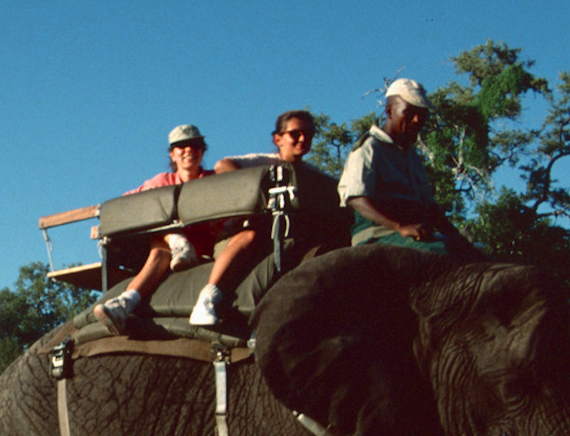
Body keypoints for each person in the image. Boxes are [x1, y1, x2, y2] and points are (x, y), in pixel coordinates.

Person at [188, 109, 320, 326]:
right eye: (295, 134)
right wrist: (259, 194)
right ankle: (208, 298)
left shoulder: (312, 173)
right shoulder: (263, 161)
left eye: (309, 134)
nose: (303, 139)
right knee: (250, 234)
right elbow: (224, 165)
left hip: (284, 235)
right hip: (240, 234)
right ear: (278, 138)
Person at [93, 125, 218, 333]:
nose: (189, 150)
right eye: (181, 146)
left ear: (202, 150)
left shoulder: (215, 179)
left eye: (194, 145)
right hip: (167, 250)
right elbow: (129, 202)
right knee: (159, 243)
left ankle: (127, 301)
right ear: (172, 153)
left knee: (159, 245)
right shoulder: (161, 182)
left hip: (205, 247)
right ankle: (126, 302)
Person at [337, 77, 473, 254]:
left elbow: (430, 208)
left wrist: (456, 236)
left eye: (422, 115)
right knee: (442, 255)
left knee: (476, 254)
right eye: (409, 113)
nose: (416, 120)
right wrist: (399, 227)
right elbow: (355, 198)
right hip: (378, 234)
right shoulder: (369, 148)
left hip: (415, 234)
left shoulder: (412, 156)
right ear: (390, 111)